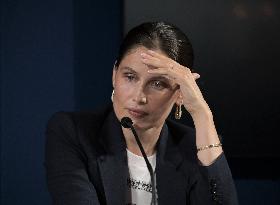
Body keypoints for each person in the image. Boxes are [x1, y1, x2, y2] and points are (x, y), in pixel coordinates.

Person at [45, 22, 239, 205]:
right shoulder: (73, 133)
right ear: (114, 74)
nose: (139, 97)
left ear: (180, 92)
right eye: (130, 77)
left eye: (158, 83)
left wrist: (202, 113)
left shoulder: (194, 148)